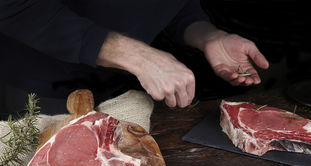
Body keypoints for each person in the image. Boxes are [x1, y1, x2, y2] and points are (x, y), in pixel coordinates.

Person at [0, 0, 269, 110]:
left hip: (138, 89)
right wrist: (136, 55)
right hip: (43, 91)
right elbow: (14, 7)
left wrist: (207, 35)